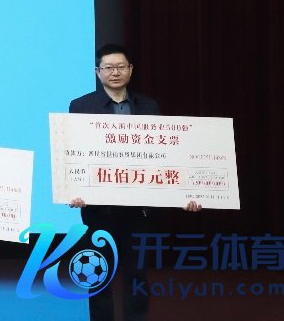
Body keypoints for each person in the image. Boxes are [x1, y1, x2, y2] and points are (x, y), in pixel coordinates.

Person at [68, 43, 202, 321]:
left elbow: (165, 156)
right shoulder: (81, 106)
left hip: (139, 210)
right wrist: (73, 189)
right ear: (97, 71)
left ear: (130, 70)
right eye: (108, 67)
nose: (115, 72)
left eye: (120, 67)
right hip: (99, 209)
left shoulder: (148, 106)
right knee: (97, 272)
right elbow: (72, 152)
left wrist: (185, 193)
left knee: (137, 275)